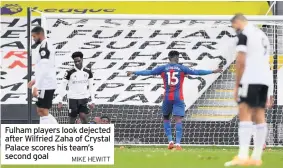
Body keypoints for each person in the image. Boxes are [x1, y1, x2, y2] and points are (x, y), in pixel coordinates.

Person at [127, 50, 222, 150]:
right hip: (178, 97)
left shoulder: (163, 68)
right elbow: (197, 72)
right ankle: (178, 144)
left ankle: (170, 141)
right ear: (177, 58)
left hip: (167, 97)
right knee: (178, 120)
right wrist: (212, 71)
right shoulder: (182, 68)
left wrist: (134, 72)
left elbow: (148, 72)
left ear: (169, 58)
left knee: (166, 118)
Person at [224, 14, 271, 167]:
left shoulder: (244, 35)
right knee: (259, 114)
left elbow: (241, 60)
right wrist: (270, 89)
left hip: (250, 79)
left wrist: (237, 84)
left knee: (244, 113)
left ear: (237, 22)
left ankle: (243, 155)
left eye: (234, 27)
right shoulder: (262, 34)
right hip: (263, 79)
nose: (235, 30)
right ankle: (256, 157)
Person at [27, 26, 58, 124]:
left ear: (40, 34)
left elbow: (44, 68)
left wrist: (36, 86)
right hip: (45, 82)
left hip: (46, 83)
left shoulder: (45, 47)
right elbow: (43, 67)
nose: (33, 39)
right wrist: (35, 80)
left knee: (42, 111)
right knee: (42, 111)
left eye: (34, 36)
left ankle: (45, 135)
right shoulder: (44, 45)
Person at [57, 51, 95, 124]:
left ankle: (86, 133)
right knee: (72, 118)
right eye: (75, 61)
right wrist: (60, 101)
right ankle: (69, 134)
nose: (77, 63)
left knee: (83, 116)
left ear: (82, 60)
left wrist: (93, 101)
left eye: (79, 61)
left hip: (83, 98)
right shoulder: (69, 72)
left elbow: (91, 87)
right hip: (72, 98)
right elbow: (63, 86)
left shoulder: (88, 71)